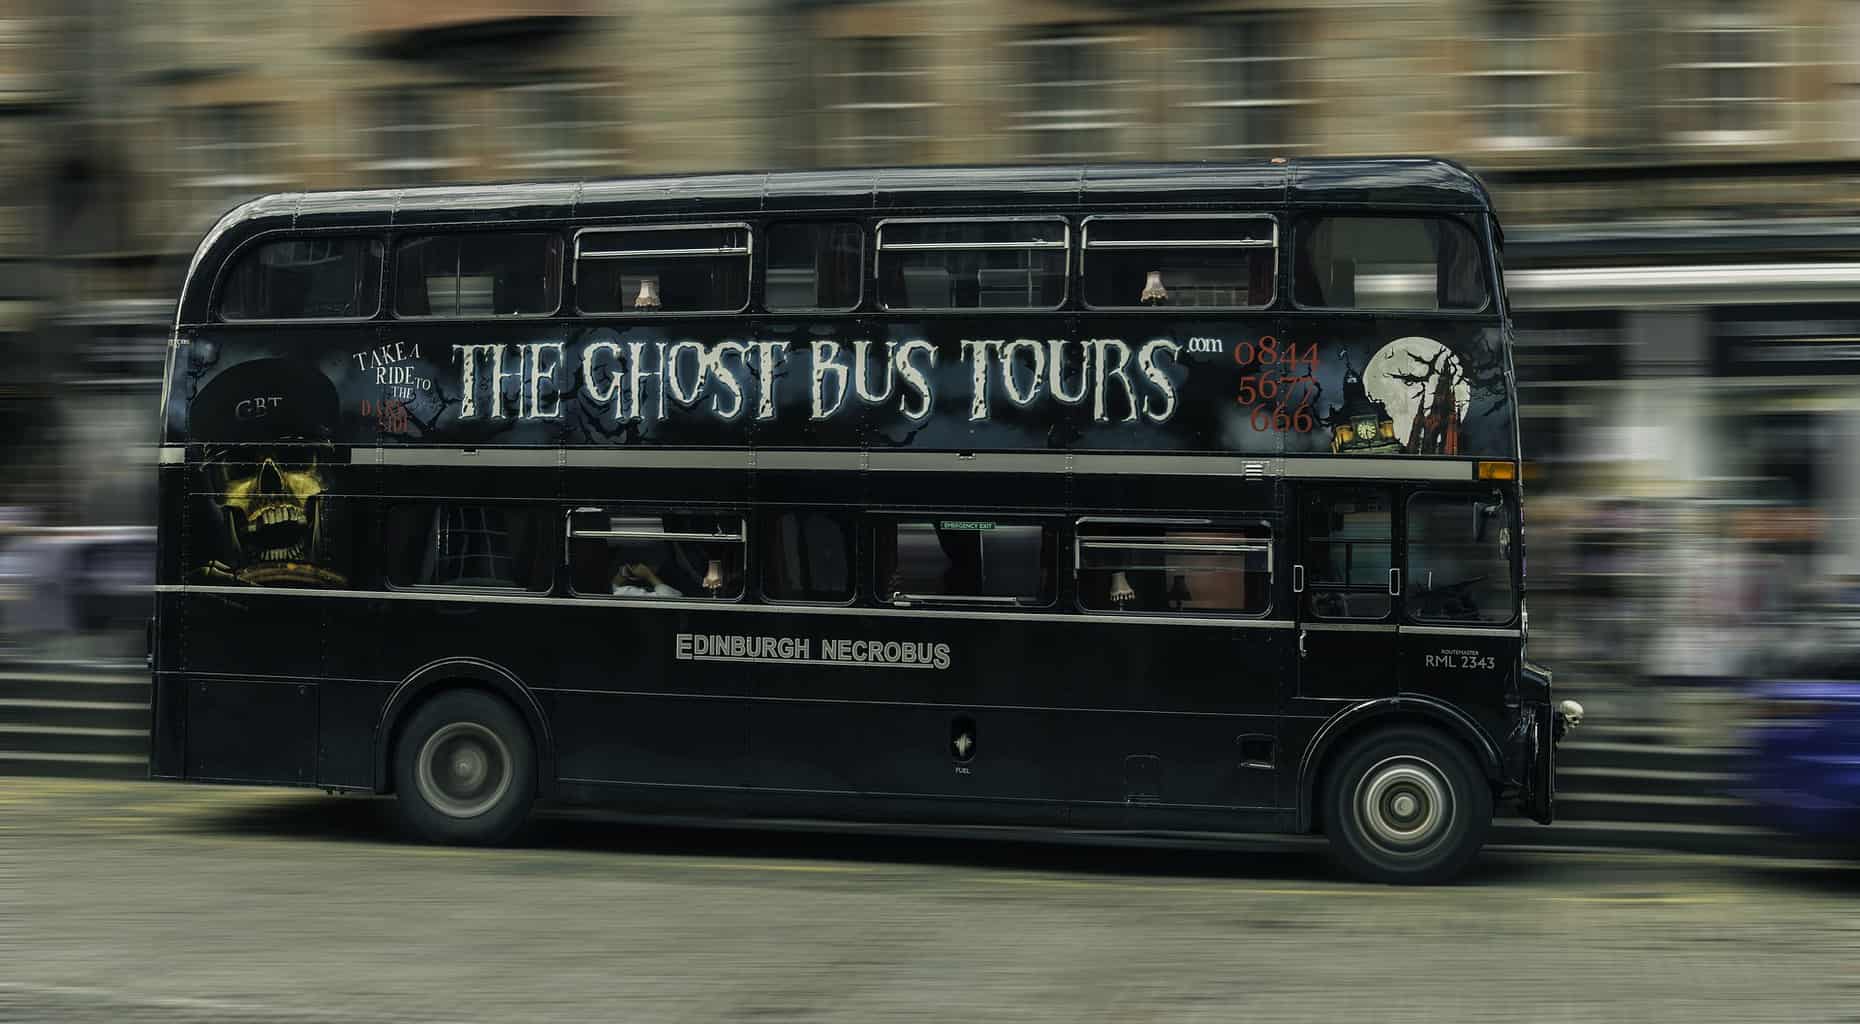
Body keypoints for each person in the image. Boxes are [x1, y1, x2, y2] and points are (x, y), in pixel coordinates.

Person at [612, 561, 682, 597]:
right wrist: (650, 576)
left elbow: (613, 588)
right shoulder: (624, 593)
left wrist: (621, 575)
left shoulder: (611, 590)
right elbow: (671, 600)